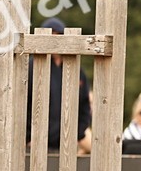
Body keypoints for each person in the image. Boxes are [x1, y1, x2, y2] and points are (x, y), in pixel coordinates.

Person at [25, 18, 91, 153]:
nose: (55, 41)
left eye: (58, 36)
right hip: (36, 144)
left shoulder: (76, 69)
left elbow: (84, 105)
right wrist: (28, 137)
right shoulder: (31, 67)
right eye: (51, 37)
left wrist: (78, 133)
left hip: (67, 144)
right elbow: (21, 104)